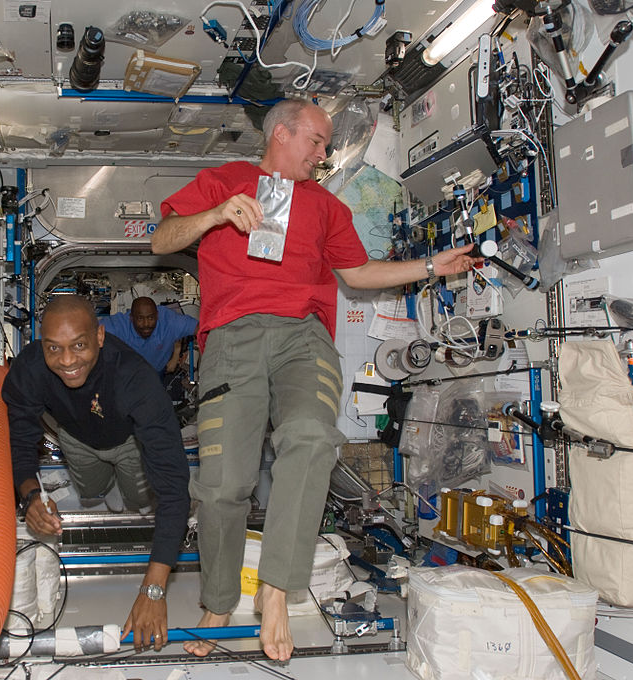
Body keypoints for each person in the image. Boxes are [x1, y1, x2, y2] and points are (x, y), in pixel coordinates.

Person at [151, 99, 479, 661]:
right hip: (232, 339)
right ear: (283, 133)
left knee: (308, 438)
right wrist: (216, 215)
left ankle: (277, 589)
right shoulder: (225, 180)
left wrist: (430, 267)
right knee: (224, 484)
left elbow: (358, 273)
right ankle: (220, 598)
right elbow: (162, 240)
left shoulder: (326, 205)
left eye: (326, 146)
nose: (323, 154)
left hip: (304, 337)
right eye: (318, 141)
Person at [1, 294, 191, 652]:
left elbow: (173, 483)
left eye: (79, 345)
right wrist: (30, 497)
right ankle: (109, 492)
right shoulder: (31, 368)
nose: (67, 360)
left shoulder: (134, 378)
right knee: (91, 493)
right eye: (54, 348)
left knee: (137, 501)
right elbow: (20, 438)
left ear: (100, 337)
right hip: (77, 436)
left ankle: (124, 493)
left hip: (127, 440)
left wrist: (154, 588)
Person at [100, 297, 198, 374]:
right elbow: (89, 333)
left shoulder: (169, 321)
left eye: (151, 318)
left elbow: (201, 329)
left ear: (157, 315)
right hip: (123, 376)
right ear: (131, 318)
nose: (146, 324)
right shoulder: (117, 326)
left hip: (155, 373)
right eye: (140, 319)